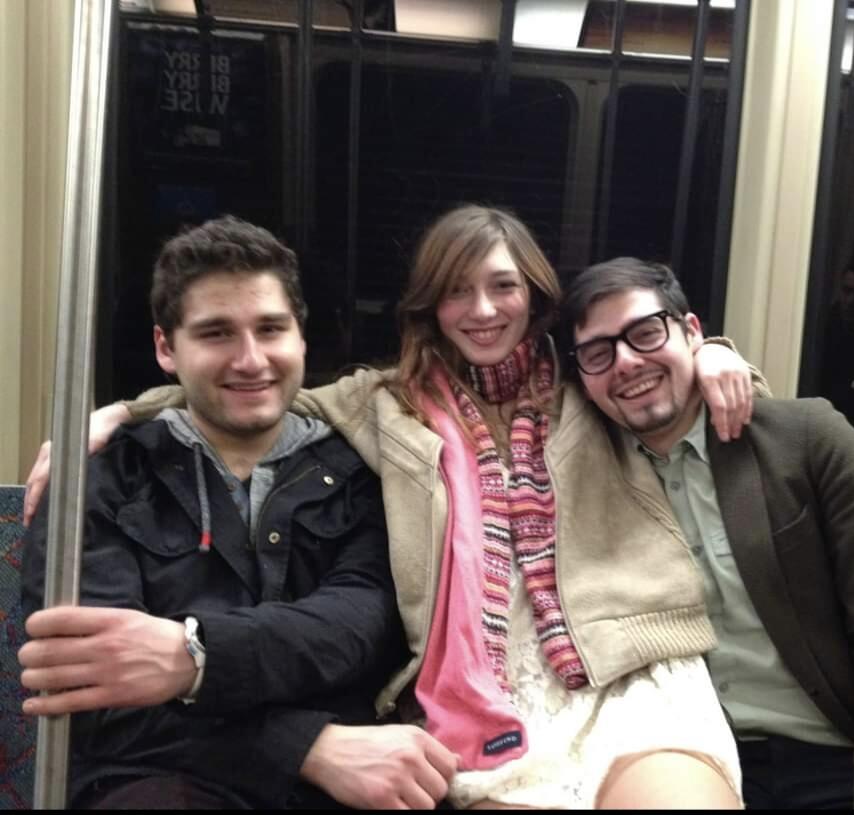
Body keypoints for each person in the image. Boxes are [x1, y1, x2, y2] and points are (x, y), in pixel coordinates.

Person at [23, 206, 765, 809]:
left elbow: (656, 376)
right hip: (484, 688)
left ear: (535, 294)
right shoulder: (384, 406)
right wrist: (119, 411)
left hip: (623, 663)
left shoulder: (591, 386)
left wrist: (714, 354)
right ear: (429, 306)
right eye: (457, 290)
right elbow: (267, 393)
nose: (482, 309)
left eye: (502, 286)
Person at [19, 216, 458, 810]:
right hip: (158, 779)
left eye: (270, 329)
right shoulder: (97, 481)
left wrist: (188, 654)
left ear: (300, 337)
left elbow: (362, 627)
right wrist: (306, 747)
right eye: (217, 333)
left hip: (352, 777)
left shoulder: (364, 475)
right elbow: (96, 694)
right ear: (165, 349)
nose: (250, 360)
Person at [562, 257, 854, 810]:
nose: (626, 362)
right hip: (684, 764)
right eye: (599, 353)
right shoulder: (586, 476)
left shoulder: (807, 441)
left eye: (646, 333)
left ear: (692, 332)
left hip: (837, 757)